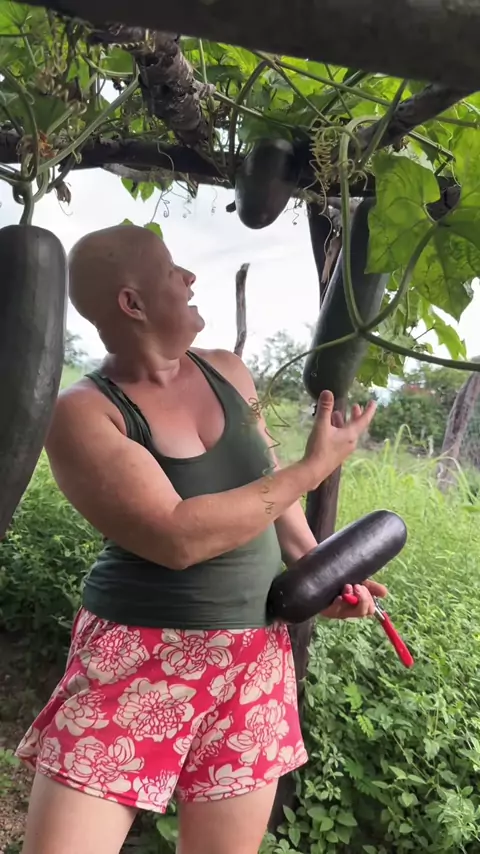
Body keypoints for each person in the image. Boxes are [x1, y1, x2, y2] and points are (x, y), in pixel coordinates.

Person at [16, 224, 385, 854]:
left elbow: (272, 494)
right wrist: (312, 469)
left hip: (254, 660)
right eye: (171, 270)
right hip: (137, 660)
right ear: (132, 303)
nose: (189, 277)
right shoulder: (83, 411)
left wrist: (319, 573)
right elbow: (176, 537)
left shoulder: (230, 372)